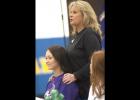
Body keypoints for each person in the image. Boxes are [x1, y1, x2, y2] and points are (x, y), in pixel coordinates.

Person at [63, 0, 102, 99]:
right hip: (77, 88)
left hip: (88, 88)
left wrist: (75, 75)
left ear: (85, 15)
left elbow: (95, 63)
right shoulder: (75, 37)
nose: (70, 15)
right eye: (70, 13)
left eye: (75, 12)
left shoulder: (89, 34)